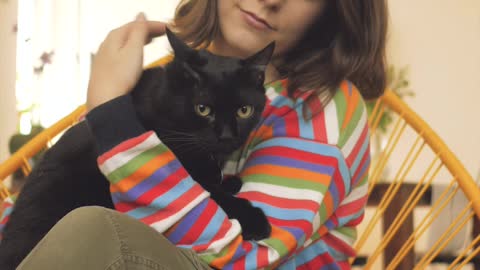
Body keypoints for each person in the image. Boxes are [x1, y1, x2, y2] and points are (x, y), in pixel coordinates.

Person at [17, 0, 388, 269]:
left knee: (93, 231)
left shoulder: (321, 108)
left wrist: (111, 112)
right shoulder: (182, 77)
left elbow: (244, 257)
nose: (270, 0)